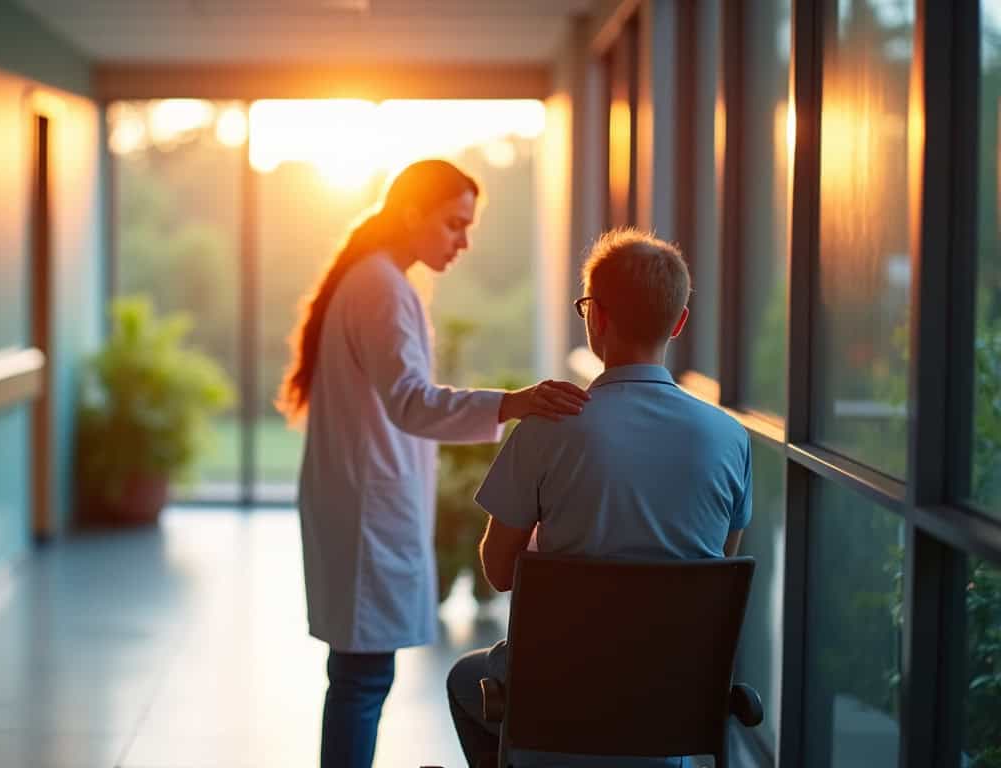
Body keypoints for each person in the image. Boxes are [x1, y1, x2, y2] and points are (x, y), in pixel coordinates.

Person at [276, 159, 591, 768]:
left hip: (362, 500)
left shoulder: (379, 280)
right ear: (411, 213)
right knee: (361, 680)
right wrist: (513, 404)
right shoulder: (380, 286)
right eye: (453, 224)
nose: (463, 242)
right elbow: (412, 404)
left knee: (356, 677)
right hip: (366, 507)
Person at [446, 228, 753, 768]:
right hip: (667, 719)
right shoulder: (730, 439)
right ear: (679, 323)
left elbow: (498, 570)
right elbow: (715, 566)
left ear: (596, 319)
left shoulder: (547, 426)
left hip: (555, 713)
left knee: (465, 678)